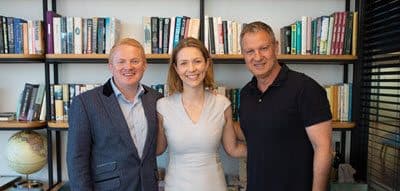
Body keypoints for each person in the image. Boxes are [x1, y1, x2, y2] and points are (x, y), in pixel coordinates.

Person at [238, 21, 333, 191]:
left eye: (264, 48)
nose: (257, 57)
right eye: (250, 51)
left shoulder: (306, 88)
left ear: (276, 47)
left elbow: (323, 148)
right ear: (243, 55)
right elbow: (258, 139)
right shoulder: (246, 94)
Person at [67, 38, 162, 191]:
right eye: (121, 61)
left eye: (135, 61)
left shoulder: (156, 99)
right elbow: (76, 160)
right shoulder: (85, 103)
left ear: (145, 65)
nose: (128, 67)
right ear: (110, 66)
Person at [156, 37, 247, 191]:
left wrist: (275, 147)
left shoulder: (222, 104)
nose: (191, 69)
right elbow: (157, 149)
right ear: (176, 68)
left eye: (197, 61)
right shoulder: (163, 106)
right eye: (184, 63)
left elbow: (233, 149)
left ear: (207, 64)